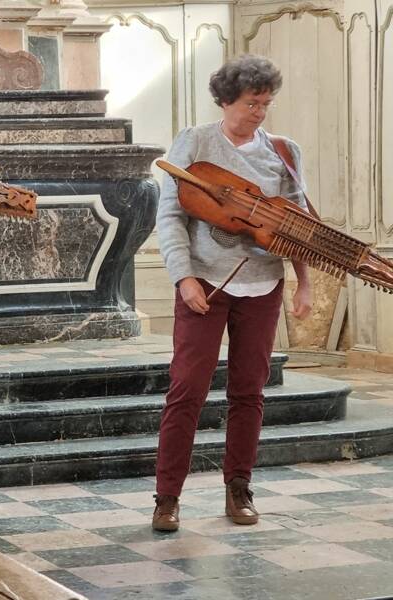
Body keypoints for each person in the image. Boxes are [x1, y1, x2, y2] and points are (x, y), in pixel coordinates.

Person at [152, 54, 312, 531]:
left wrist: (303, 283)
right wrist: (184, 278)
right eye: (250, 103)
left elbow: (297, 224)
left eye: (266, 103)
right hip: (205, 283)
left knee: (249, 391)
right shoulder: (195, 142)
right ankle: (167, 498)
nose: (259, 112)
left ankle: (239, 490)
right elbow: (170, 215)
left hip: (263, 284)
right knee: (187, 389)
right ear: (225, 100)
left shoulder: (284, 151)